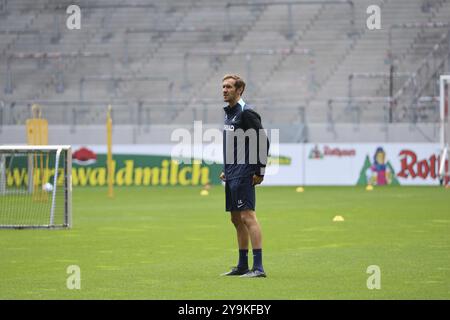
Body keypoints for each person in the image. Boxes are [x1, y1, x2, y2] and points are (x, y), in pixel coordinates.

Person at [219, 74, 269, 278]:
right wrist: (227, 168)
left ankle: (258, 268)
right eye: (223, 86)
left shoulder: (246, 113)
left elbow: (263, 142)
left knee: (248, 217)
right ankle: (242, 265)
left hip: (245, 173)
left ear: (239, 90)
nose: (224, 90)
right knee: (235, 219)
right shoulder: (229, 114)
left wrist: (260, 171)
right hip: (232, 174)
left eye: (229, 87)